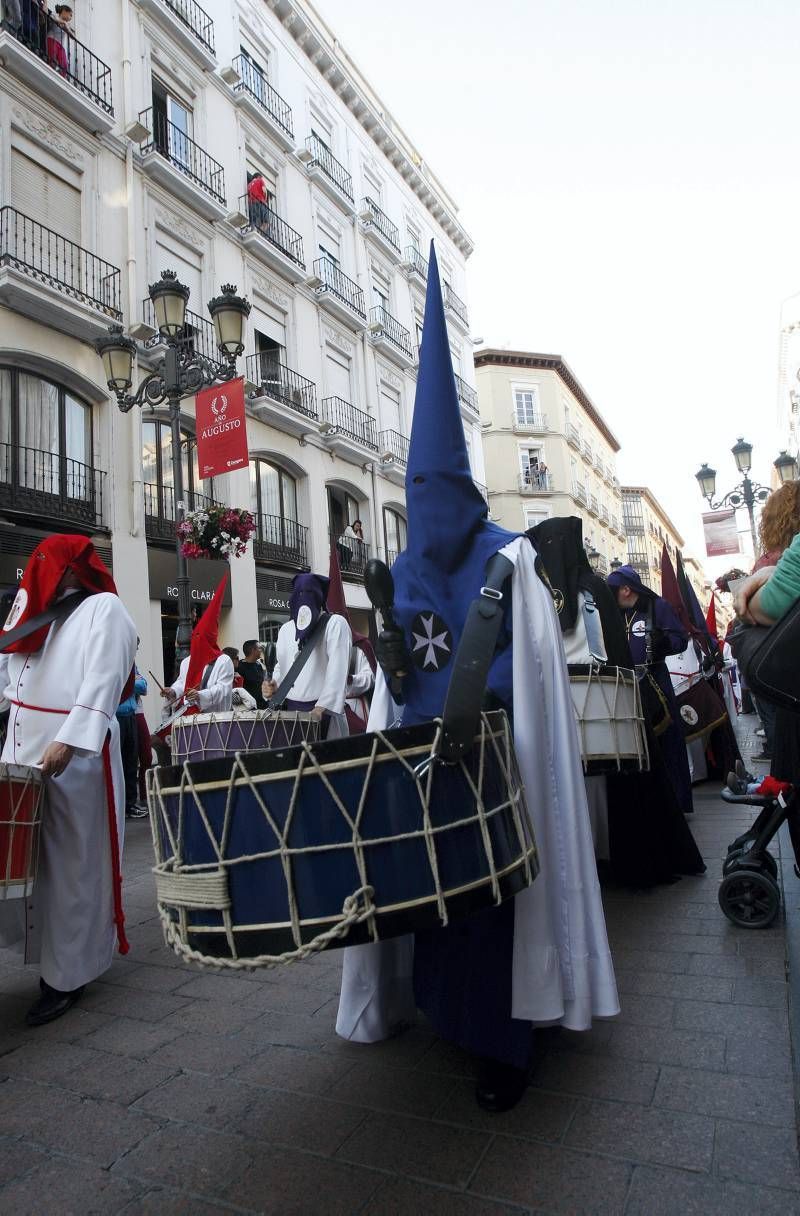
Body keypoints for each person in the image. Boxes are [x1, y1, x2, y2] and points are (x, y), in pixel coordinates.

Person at [337, 245, 618, 1114]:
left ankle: (508, 1034)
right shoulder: (403, 570)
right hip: (428, 778)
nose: (424, 502)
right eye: (412, 488)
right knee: (436, 904)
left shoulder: (514, 563)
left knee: (500, 906)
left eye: (435, 485)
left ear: (459, 486)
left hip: (503, 779)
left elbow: (533, 682)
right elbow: (394, 679)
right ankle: (447, 1015)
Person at [0, 535, 137, 1026]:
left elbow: (103, 679)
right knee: (25, 866)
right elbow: (8, 678)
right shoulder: (36, 616)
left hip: (70, 757)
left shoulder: (104, 610)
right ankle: (42, 952)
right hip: (19, 754)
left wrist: (72, 736)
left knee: (72, 867)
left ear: (71, 570)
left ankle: (68, 974)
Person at [530, 518, 703, 887]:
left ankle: (603, 857)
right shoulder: (545, 590)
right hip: (578, 708)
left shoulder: (586, 590)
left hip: (598, 708)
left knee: (607, 789)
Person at [607, 565, 694, 815]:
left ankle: (676, 804)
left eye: (613, 590)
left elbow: (680, 639)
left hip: (656, 683)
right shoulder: (617, 613)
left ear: (626, 589)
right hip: (627, 685)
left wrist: (664, 643)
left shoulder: (658, 608)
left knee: (667, 742)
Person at [264, 573, 352, 738]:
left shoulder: (335, 624)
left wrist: (320, 708)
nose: (304, 598)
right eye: (299, 593)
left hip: (325, 713)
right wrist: (274, 686)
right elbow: (282, 665)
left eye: (310, 592)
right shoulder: (285, 630)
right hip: (291, 714)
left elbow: (338, 670)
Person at [116, 664, 148, 820]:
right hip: (115, 716)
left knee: (131, 762)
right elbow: (113, 683)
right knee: (118, 763)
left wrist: (127, 683)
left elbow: (143, 686)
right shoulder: (114, 659)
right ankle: (118, 804)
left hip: (130, 715)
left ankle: (130, 804)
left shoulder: (131, 664)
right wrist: (129, 683)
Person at [239, 639, 267, 708]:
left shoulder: (258, 665)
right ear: (253, 650)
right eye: (259, 648)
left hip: (262, 706)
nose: (261, 650)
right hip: (249, 709)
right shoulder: (240, 667)